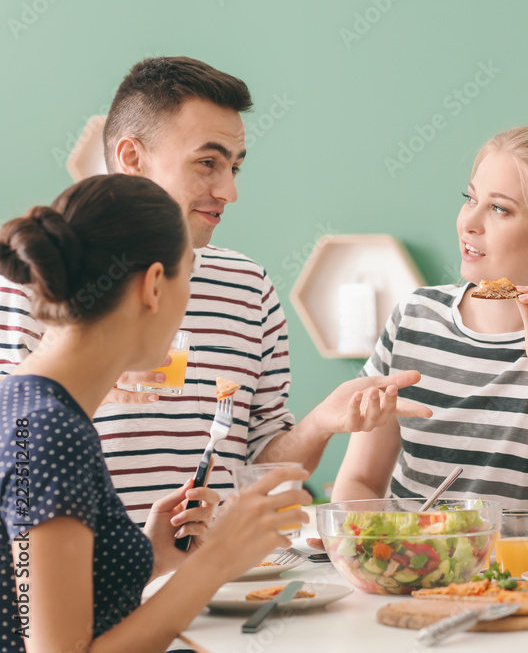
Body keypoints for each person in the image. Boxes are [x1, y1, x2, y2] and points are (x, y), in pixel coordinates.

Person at [0, 57, 430, 524]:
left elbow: (262, 473)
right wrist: (94, 383)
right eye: (207, 163)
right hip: (85, 587)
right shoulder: (36, 279)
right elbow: (19, 463)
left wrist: (322, 423)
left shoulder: (248, 288)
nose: (228, 190)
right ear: (131, 158)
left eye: (235, 167)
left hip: (213, 582)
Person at [0, 174, 312, 652]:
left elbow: (31, 593)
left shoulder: (26, 408)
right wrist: (217, 562)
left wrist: (144, 557)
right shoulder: (51, 432)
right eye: (187, 275)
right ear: (152, 287)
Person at [330, 126, 528, 554]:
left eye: (499, 209)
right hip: (413, 573)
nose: (469, 222)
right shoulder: (416, 316)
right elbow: (362, 481)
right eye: (470, 199)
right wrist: (378, 554)